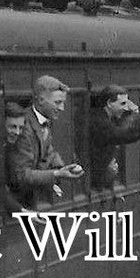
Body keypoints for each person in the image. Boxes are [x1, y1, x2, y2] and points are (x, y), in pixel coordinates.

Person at [8, 75, 84, 208]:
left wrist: (62, 168)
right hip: (16, 203)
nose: (62, 108)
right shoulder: (24, 126)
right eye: (57, 102)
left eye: (63, 103)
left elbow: (49, 153)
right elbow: (21, 175)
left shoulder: (43, 121)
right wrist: (56, 174)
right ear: (41, 100)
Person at [88, 83, 140, 190]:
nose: (125, 108)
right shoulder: (100, 122)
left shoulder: (105, 116)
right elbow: (128, 133)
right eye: (122, 103)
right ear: (109, 103)